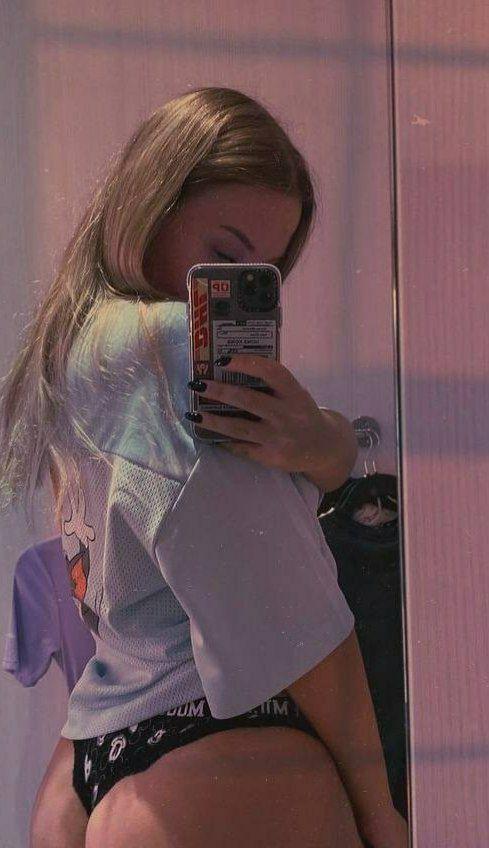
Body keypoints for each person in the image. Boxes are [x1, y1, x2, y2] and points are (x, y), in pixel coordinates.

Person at [0, 86, 407, 848]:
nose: (233, 289)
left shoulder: (71, 349)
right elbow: (300, 626)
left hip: (100, 751)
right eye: (222, 256)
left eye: (266, 270)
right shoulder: (170, 355)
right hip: (229, 752)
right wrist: (381, 814)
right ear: (148, 211)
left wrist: (320, 444)